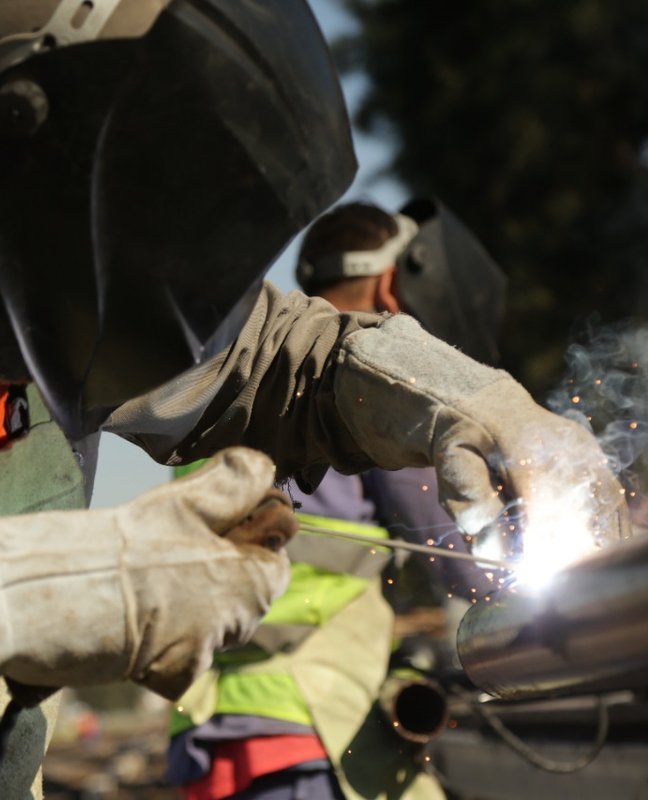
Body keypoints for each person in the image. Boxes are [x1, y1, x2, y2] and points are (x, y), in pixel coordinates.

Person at [0, 2, 628, 798]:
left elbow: (273, 351)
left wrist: (467, 401)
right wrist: (65, 587)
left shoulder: (55, 264)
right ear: (32, 130)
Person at [166, 200, 504, 800]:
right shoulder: (376, 396)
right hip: (317, 724)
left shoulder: (227, 392)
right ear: (391, 284)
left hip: (211, 732)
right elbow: (463, 560)